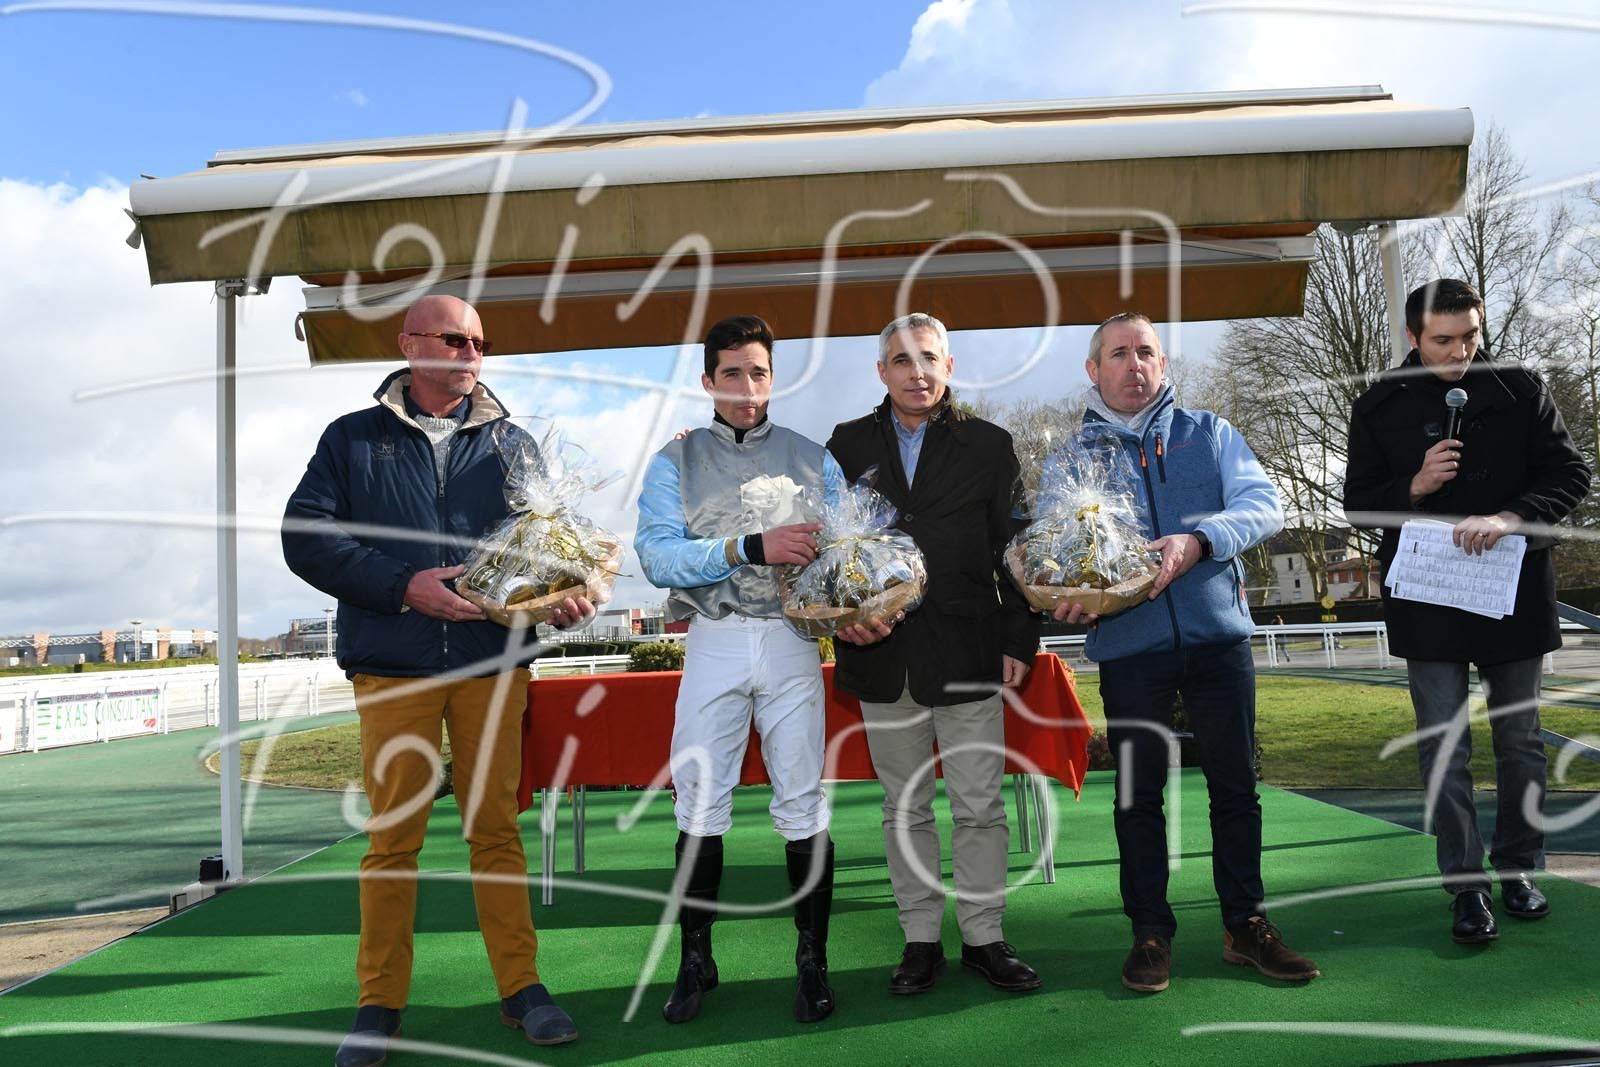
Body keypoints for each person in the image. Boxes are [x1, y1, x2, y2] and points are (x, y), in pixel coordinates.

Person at [283, 295, 593, 1066]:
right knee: (394, 839)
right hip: (394, 664)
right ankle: (379, 1002)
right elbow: (305, 534)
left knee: (497, 830)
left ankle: (522, 986)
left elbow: (544, 549)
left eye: (479, 341)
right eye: (455, 339)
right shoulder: (352, 438)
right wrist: (402, 585)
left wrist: (561, 593)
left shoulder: (514, 443)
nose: (470, 353)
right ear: (410, 344)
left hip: (493, 661)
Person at [1052, 311, 1318, 993]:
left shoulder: (1210, 432)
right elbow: (1053, 548)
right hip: (1129, 647)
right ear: (1094, 370)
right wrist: (1065, 591)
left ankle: (1246, 924)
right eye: (1119, 353)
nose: (1134, 364)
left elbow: (1265, 506)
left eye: (1146, 351)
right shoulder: (1071, 457)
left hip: (1217, 639)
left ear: (1163, 364)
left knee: (1236, 788)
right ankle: (1149, 931)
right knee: (1138, 796)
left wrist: (1200, 540)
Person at [634, 314, 875, 1025]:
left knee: (802, 801)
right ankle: (695, 959)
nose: (746, 387)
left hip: (794, 641)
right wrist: (747, 546)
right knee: (699, 803)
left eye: (758, 373)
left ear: (774, 378)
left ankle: (813, 961)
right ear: (708, 380)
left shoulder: (813, 457)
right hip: (713, 639)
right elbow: (656, 557)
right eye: (732, 373)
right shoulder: (673, 461)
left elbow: (848, 551)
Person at [1343, 279, 1590, 944]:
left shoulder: (1521, 389)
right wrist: (1414, 485)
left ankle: (1517, 869)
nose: (1460, 352)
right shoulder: (1378, 404)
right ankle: (1466, 886)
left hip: (1512, 589)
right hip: (1427, 595)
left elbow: (1571, 475)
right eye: (1444, 340)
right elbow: (1359, 504)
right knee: (1444, 746)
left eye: (1471, 336)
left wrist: (1511, 516)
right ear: (1413, 337)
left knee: (1520, 741)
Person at [826, 312, 1043, 997]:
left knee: (979, 806)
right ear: (881, 371)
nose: (916, 372)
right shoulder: (845, 444)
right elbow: (829, 551)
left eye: (928, 358)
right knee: (905, 808)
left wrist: (1020, 637)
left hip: (971, 651)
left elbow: (1016, 546)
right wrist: (841, 623)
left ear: (948, 367)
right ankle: (920, 939)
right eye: (902, 359)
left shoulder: (991, 444)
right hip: (883, 656)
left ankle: (984, 938)